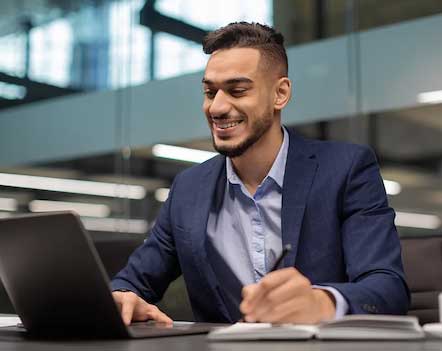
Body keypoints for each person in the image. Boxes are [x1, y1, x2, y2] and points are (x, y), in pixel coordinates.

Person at [111, 22, 409, 325]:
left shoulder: (345, 170)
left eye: (237, 90)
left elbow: (387, 289)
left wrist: (323, 302)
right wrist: (123, 295)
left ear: (280, 93)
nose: (217, 107)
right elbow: (134, 281)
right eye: (210, 91)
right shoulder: (188, 189)